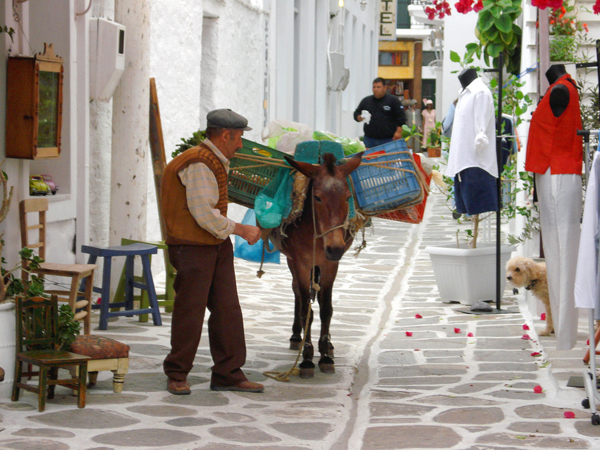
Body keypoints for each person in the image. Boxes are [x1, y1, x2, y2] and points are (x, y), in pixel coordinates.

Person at [161, 108, 265, 395]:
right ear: (225, 135)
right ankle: (177, 373)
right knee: (190, 311)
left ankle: (228, 373)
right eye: (239, 139)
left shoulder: (212, 159)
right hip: (192, 247)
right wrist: (241, 230)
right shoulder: (199, 163)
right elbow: (203, 215)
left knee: (227, 309)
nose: (241, 145)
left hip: (214, 246)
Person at [525, 64, 583, 351]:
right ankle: (562, 329)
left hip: (559, 174)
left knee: (562, 252)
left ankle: (566, 331)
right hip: (554, 174)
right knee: (558, 251)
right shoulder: (560, 88)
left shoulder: (560, 90)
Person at [445, 68, 498, 216]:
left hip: (475, 163)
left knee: (476, 209)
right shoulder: (463, 92)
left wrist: (478, 145)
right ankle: (473, 238)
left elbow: (481, 130)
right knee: (466, 209)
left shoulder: (479, 92)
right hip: (463, 161)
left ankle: (475, 238)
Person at [353, 77, 406, 149]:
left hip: (388, 140)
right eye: (374, 87)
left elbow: (401, 117)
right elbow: (356, 113)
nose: (375, 89)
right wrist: (359, 117)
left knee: (387, 159)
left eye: (378, 87)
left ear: (385, 87)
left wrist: (398, 132)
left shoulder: (393, 101)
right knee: (368, 159)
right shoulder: (366, 101)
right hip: (369, 140)